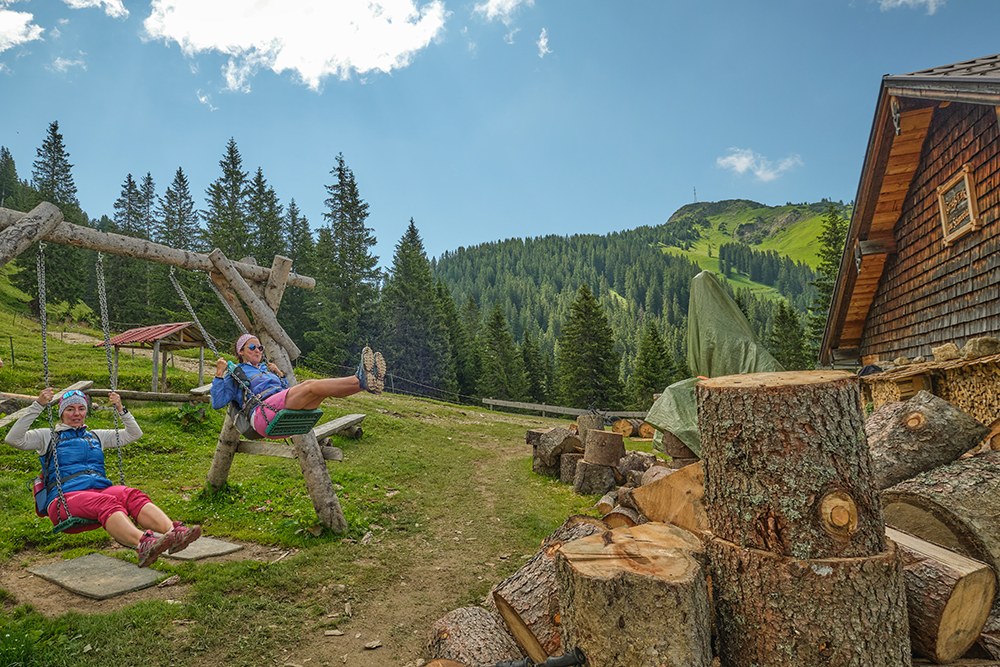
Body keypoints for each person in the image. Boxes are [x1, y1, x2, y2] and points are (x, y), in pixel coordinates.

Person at [5, 388, 202, 568]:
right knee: (106, 501)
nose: (76, 414)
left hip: (98, 490)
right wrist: (37, 405)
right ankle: (143, 543)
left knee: (130, 494)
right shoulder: (47, 436)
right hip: (64, 500)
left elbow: (134, 434)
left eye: (81, 408)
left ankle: (172, 533)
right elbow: (13, 439)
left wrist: (121, 409)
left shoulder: (96, 436)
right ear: (61, 413)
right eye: (70, 409)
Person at [210, 334, 386, 439]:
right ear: (240, 351)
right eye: (252, 347)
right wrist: (219, 374)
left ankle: (366, 385)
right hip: (263, 414)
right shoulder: (236, 372)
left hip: (281, 412)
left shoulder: (267, 370)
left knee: (321, 392)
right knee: (310, 386)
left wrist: (279, 375)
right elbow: (217, 403)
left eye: (260, 347)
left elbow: (285, 392)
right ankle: (358, 379)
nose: (257, 350)